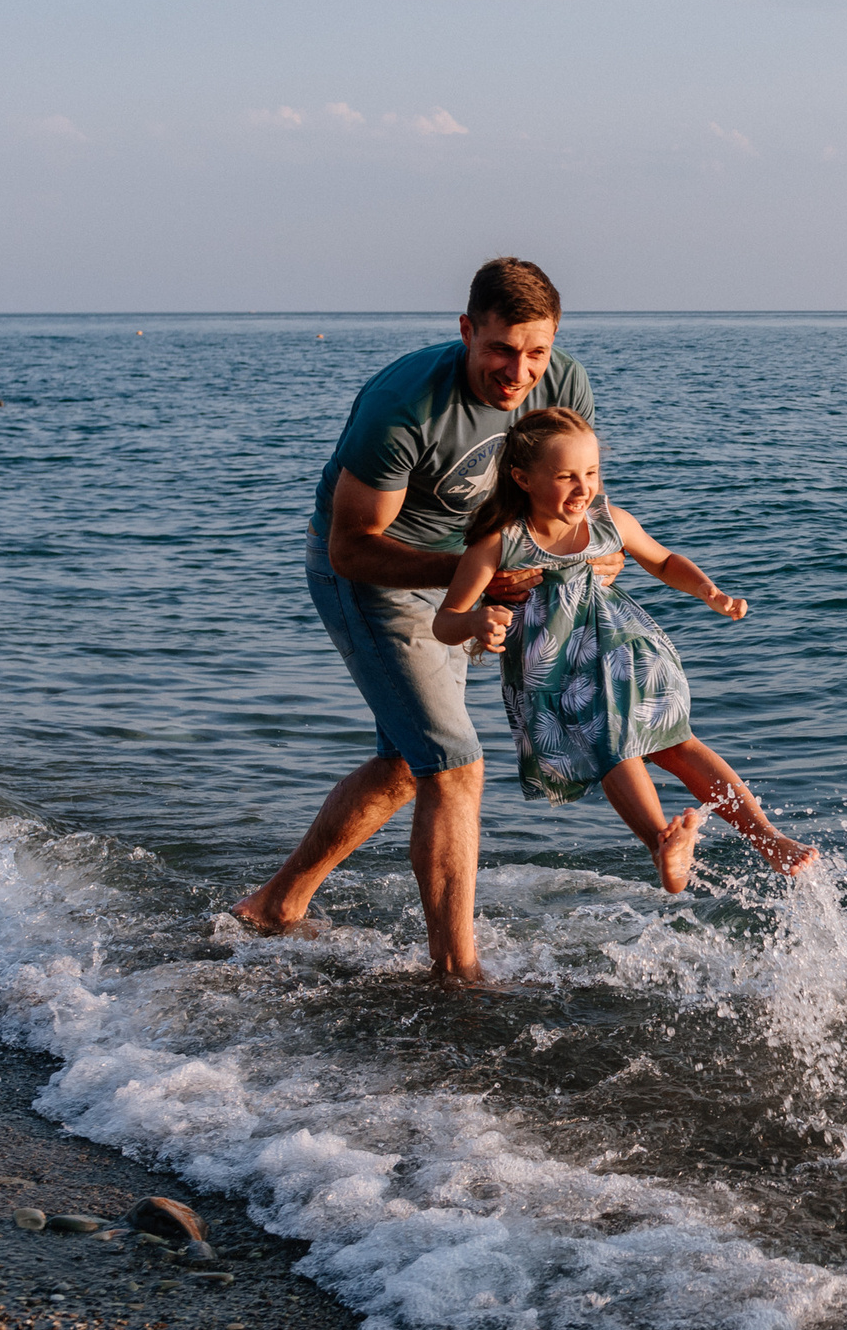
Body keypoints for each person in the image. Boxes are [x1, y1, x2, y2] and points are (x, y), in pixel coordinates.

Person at [232, 257, 611, 983]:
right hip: (373, 573)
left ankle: (277, 905)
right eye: (501, 349)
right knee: (454, 763)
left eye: (536, 351)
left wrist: (597, 551)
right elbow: (352, 547)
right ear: (467, 331)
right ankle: (456, 973)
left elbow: (575, 492)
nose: (519, 371)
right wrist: (471, 574)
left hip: (468, 573)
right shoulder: (403, 404)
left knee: (409, 762)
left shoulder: (562, 381)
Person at [435, 409, 818, 893]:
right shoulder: (501, 540)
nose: (583, 488)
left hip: (626, 656)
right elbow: (445, 621)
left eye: (591, 473)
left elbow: (663, 560)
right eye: (565, 477)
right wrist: (475, 622)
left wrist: (709, 592)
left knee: (679, 744)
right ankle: (663, 846)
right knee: (612, 748)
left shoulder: (608, 521)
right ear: (522, 478)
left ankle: (768, 839)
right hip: (559, 674)